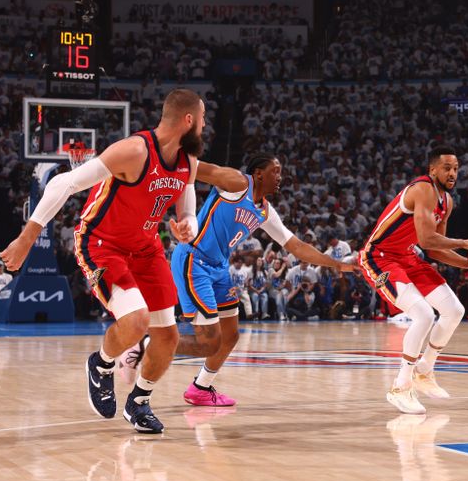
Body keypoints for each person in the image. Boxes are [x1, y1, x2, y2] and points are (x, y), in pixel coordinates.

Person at [0, 88, 243, 433]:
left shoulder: (186, 162)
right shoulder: (134, 150)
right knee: (136, 320)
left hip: (146, 248)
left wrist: (187, 221)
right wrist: (26, 238)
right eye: (202, 119)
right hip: (103, 243)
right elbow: (64, 183)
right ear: (188, 120)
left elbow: (186, 195)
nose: (205, 126)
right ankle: (101, 365)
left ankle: (139, 401)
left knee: (168, 338)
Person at [120, 153, 355, 407]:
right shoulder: (236, 183)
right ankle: (142, 345)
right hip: (194, 261)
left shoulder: (265, 211)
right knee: (208, 342)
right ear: (258, 174)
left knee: (230, 336)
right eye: (275, 171)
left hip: (220, 268)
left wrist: (338, 264)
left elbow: (296, 247)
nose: (280, 177)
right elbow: (195, 168)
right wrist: (156, 161)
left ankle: (201, 388)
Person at [358, 145, 468, 414]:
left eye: (455, 168)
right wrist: (467, 243)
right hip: (379, 257)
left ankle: (424, 370)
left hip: (408, 257)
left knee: (454, 310)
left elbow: (433, 250)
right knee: (423, 314)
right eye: (446, 168)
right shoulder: (422, 189)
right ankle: (400, 386)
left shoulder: (448, 201)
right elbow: (426, 239)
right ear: (432, 170)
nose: (452, 172)